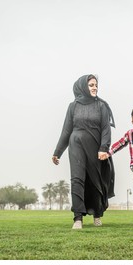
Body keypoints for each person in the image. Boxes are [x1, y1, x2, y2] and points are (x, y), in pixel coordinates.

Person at [52, 74, 115, 229]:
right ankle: (78, 218)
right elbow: (66, 131)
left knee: (95, 180)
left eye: (96, 85)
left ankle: (97, 214)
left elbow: (106, 129)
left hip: (95, 147)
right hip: (76, 145)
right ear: (82, 86)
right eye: (91, 85)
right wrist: (57, 152)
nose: (95, 88)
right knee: (77, 179)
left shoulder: (101, 106)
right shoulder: (73, 106)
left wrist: (103, 148)